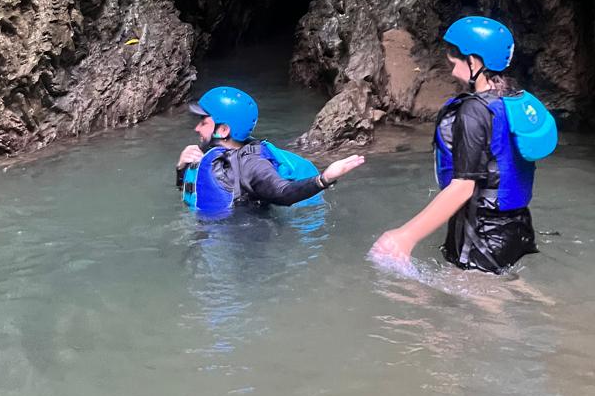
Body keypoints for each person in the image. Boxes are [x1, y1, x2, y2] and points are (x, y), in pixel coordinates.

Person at [371, 16, 546, 274]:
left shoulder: (473, 111)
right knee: (510, 289)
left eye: (454, 62)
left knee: (414, 291)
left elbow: (463, 187)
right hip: (517, 228)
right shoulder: (512, 96)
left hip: (482, 237)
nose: (452, 72)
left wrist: (405, 236)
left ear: (474, 61)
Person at [177, 85, 364, 213]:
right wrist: (181, 168)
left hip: (244, 244)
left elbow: (283, 193)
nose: (197, 128)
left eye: (203, 123)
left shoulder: (252, 164)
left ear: (224, 130)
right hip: (215, 236)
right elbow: (196, 191)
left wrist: (324, 179)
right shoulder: (211, 156)